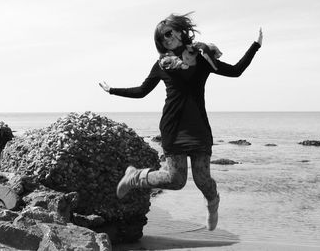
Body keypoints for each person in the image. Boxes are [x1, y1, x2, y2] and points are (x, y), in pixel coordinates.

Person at [99, 12, 262, 231]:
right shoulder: (162, 65)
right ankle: (135, 176)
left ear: (178, 31)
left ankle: (213, 202)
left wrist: (255, 45)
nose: (167, 39)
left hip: (199, 128)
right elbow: (142, 91)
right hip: (173, 127)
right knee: (176, 180)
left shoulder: (203, 58)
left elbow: (236, 71)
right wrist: (113, 90)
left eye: (168, 33)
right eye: (162, 39)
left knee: (204, 180)